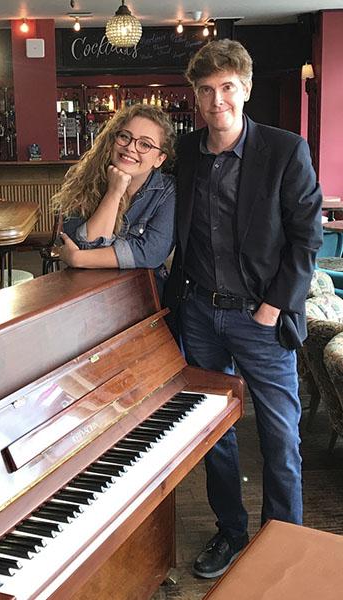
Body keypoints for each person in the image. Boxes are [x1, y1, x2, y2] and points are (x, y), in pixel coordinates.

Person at [164, 39, 323, 579]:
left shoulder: (285, 149)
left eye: (227, 87)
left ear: (246, 89)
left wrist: (274, 308)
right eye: (205, 90)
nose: (217, 101)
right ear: (194, 96)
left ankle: (283, 545)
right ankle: (231, 534)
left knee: (281, 437)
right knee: (214, 433)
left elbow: (306, 240)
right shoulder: (185, 153)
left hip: (262, 317)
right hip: (200, 317)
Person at [53, 104, 176, 293]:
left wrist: (78, 259)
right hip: (86, 297)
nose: (130, 148)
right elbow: (84, 246)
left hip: (143, 300)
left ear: (160, 159)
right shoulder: (83, 181)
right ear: (113, 140)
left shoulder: (167, 191)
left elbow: (152, 252)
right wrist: (114, 192)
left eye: (145, 144)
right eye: (125, 136)